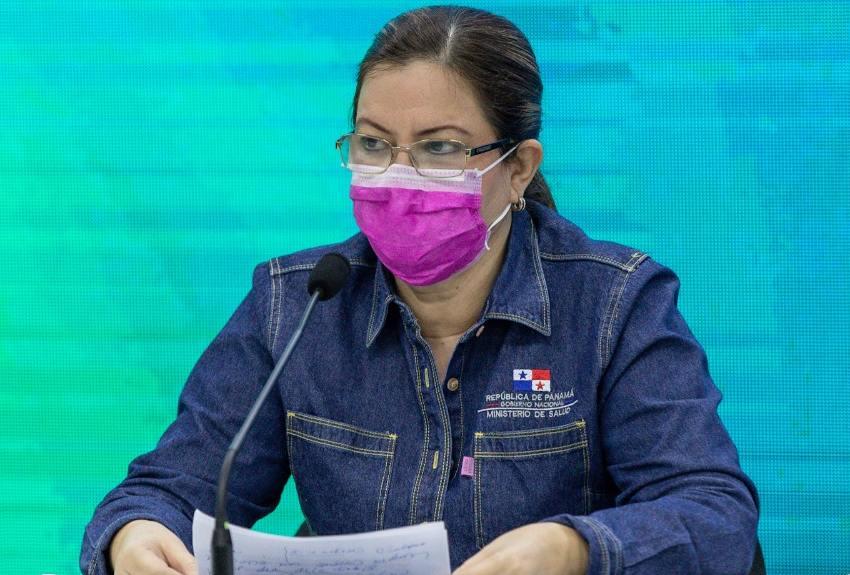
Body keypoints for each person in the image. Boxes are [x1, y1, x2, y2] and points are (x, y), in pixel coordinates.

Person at [81, 6, 759, 574]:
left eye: (439, 148)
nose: (398, 176)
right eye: (374, 145)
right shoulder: (297, 303)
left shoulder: (614, 305)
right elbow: (170, 488)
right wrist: (135, 535)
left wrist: (575, 549)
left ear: (518, 168)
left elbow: (714, 514)